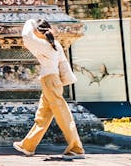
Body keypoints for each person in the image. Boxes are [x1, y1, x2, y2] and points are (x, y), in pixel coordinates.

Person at [14, 18, 84, 158]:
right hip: (53, 80)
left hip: (49, 81)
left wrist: (30, 21)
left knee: (62, 114)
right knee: (43, 115)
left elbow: (26, 36)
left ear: (38, 32)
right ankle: (28, 145)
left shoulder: (42, 44)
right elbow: (63, 64)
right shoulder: (54, 44)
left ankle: (76, 148)